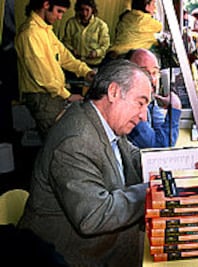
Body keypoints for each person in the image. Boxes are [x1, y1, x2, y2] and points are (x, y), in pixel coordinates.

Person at [18, 59, 152, 267]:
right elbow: (95, 215)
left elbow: (133, 158)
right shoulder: (76, 140)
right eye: (140, 103)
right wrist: (153, 191)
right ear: (114, 92)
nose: (144, 116)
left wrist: (175, 168)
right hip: (69, 254)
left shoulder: (106, 121)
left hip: (100, 243)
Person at [15, 0, 95, 140]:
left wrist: (85, 71)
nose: (59, 17)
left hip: (53, 93)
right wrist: (67, 96)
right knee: (55, 141)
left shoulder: (45, 30)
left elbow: (64, 56)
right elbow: (43, 77)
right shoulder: (30, 33)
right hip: (42, 96)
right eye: (59, 11)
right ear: (46, 5)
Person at [126, 48, 182, 148]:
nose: (152, 79)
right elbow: (158, 147)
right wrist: (175, 108)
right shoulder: (129, 105)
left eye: (155, 72)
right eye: (144, 72)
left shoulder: (149, 99)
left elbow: (162, 134)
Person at [62, 0, 110, 67]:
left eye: (87, 10)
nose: (84, 13)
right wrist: (72, 50)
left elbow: (106, 46)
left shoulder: (101, 25)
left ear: (92, 10)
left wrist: (96, 53)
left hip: (93, 64)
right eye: (82, 10)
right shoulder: (71, 23)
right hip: (75, 63)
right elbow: (66, 41)